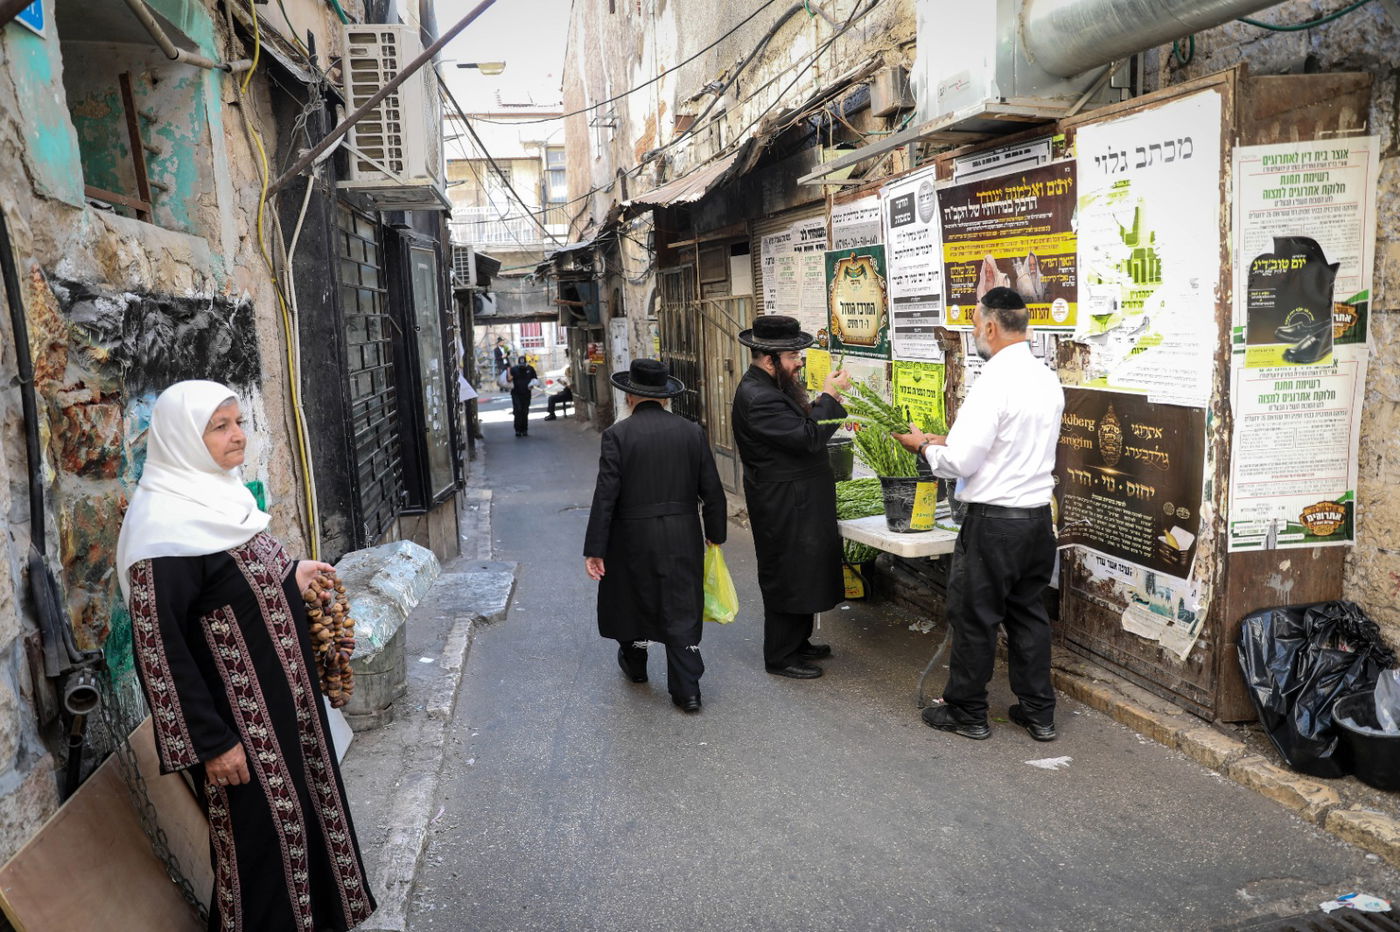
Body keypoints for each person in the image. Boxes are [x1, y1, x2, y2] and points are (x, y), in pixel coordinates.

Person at [115, 380, 376, 931]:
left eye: (239, 422)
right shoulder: (162, 532)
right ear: (183, 439)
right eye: (220, 426)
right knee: (257, 856)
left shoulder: (222, 498)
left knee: (304, 828)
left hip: (287, 713)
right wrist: (210, 743)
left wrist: (290, 577)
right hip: (240, 731)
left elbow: (234, 588)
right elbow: (159, 651)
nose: (238, 436)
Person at [893, 286, 1064, 742]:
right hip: (1035, 519)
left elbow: (961, 463)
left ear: (990, 326)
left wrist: (924, 446)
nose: (973, 335)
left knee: (975, 616)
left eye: (973, 326)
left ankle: (967, 711)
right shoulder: (1045, 378)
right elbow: (1010, 446)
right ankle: (1039, 713)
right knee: (1028, 615)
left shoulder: (993, 381)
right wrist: (947, 441)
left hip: (994, 525)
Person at [584, 359, 727, 712]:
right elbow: (712, 490)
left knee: (632, 600)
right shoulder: (691, 432)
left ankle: (636, 666)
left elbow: (605, 497)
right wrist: (715, 533)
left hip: (631, 536)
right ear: (664, 397)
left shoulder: (617, 436)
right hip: (682, 532)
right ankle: (688, 691)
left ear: (629, 397)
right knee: (681, 605)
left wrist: (595, 549)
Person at [731, 315, 851, 679]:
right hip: (783, 502)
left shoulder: (771, 386)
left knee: (804, 570)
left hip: (796, 498)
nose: (799, 362)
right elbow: (807, 438)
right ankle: (780, 655)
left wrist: (820, 403)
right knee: (787, 573)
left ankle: (798, 642)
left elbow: (798, 428)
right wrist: (828, 398)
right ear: (771, 359)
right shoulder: (758, 397)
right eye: (793, 356)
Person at [506, 354, 538, 437]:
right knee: (517, 410)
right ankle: (517, 430)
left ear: (526, 363)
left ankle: (524, 429)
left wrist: (532, 385)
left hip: (526, 393)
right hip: (516, 393)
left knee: (525, 411)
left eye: (523, 364)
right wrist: (508, 370)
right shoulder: (514, 369)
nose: (522, 366)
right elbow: (509, 379)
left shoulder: (530, 369)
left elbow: (535, 379)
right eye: (521, 365)